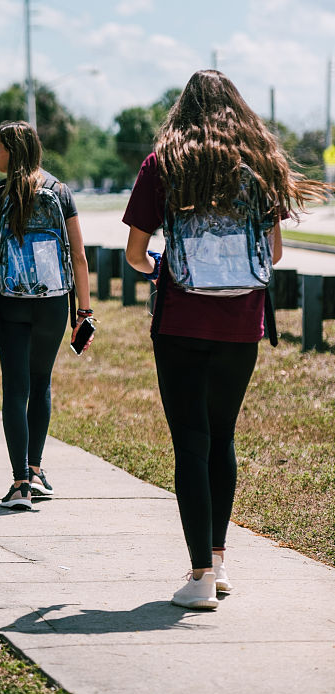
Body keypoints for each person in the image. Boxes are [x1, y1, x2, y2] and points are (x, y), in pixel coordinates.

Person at [123, 69, 327, 610]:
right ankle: (218, 561)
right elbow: (273, 253)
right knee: (222, 437)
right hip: (242, 323)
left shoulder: (164, 164)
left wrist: (163, 267)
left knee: (190, 441)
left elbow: (135, 254)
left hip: (180, 322)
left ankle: (199, 579)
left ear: (182, 111)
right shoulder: (259, 166)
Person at [0, 121, 93, 511]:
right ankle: (36, 472)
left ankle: (20, 483)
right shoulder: (61, 192)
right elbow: (78, 256)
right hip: (53, 303)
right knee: (41, 384)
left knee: (14, 388)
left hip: (11, 303)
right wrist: (84, 310)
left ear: (13, 151)